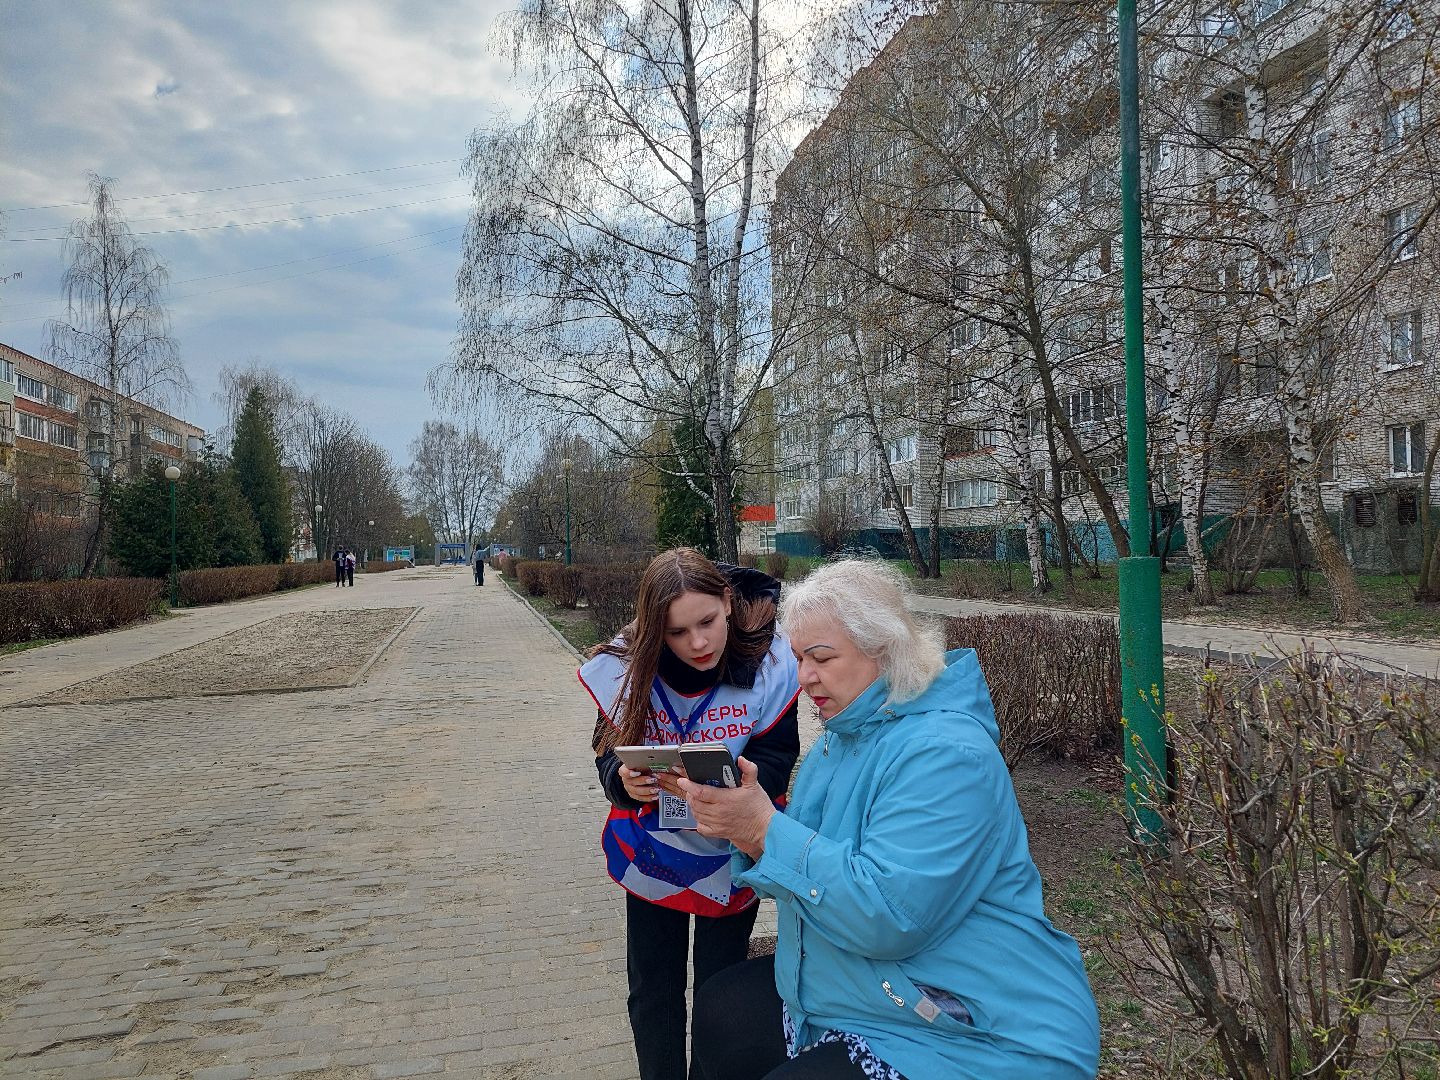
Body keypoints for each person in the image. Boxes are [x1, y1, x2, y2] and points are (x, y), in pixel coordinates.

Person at [683, 560, 1101, 1080]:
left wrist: (764, 829)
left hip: (974, 1027)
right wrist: (742, 826)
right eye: (797, 658)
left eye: (821, 657)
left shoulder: (947, 754)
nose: (803, 676)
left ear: (882, 650)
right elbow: (812, 858)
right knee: (722, 1008)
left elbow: (890, 915)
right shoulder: (845, 737)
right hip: (876, 986)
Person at [580, 548, 801, 1080]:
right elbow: (608, 753)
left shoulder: (771, 666)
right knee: (653, 990)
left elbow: (777, 756)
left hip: (729, 849)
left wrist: (748, 790)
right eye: (678, 633)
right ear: (658, 630)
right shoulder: (629, 666)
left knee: (718, 992)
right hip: (653, 852)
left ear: (728, 602)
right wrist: (623, 782)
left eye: (707, 622)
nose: (698, 643)